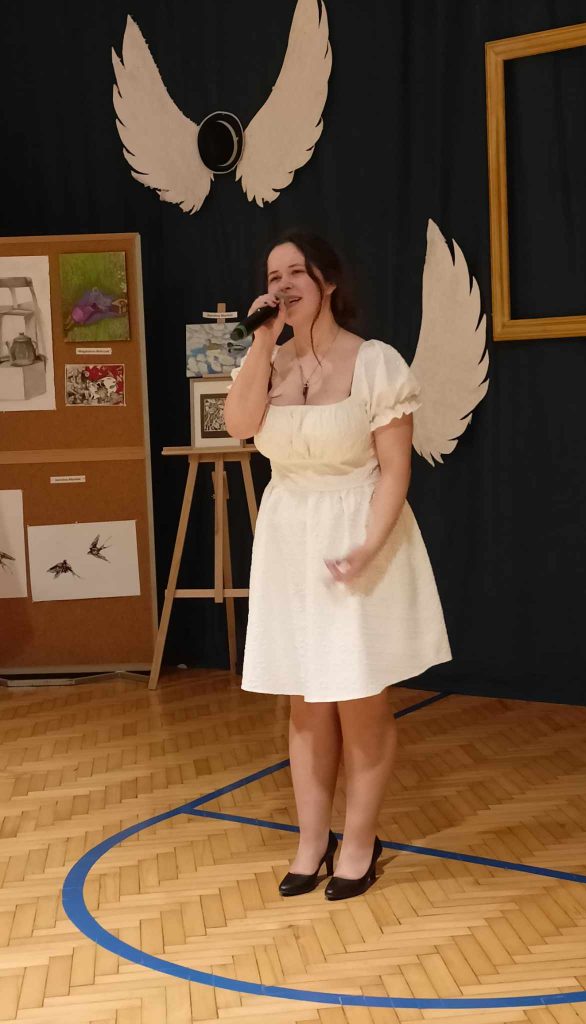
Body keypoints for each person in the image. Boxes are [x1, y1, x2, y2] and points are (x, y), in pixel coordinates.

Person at [224, 232, 451, 900]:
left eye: (297, 272)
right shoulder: (267, 359)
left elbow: (396, 469)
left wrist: (370, 545)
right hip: (289, 539)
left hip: (356, 534)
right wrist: (262, 344)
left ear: (327, 282)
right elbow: (238, 425)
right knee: (304, 702)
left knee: (358, 701)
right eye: (274, 275)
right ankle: (310, 840)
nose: (284, 285)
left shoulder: (374, 361)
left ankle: (358, 842)